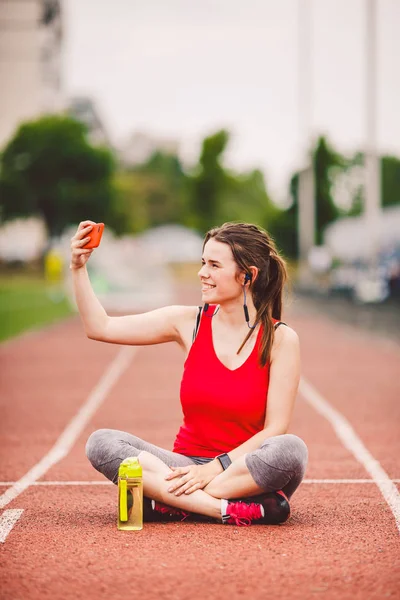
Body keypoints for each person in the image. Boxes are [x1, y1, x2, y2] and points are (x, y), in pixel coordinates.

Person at [70, 220, 308, 527]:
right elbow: (100, 327)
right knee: (102, 442)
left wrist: (212, 470)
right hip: (182, 466)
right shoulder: (188, 322)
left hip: (242, 469)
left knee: (291, 450)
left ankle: (168, 502)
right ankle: (224, 510)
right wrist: (77, 267)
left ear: (247, 275)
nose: (202, 273)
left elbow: (275, 429)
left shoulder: (281, 339)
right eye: (202, 262)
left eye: (213, 265)